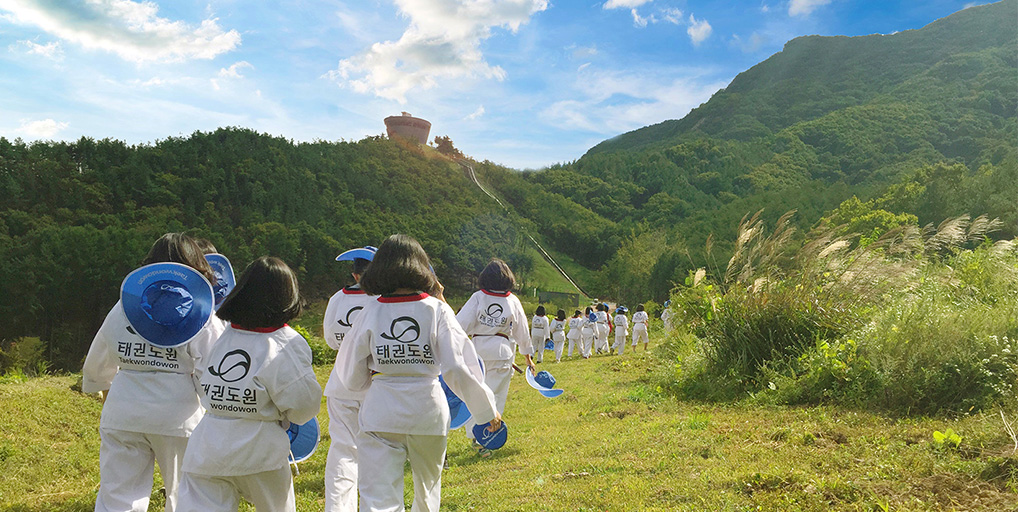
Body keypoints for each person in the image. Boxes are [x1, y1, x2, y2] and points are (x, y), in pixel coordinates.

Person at [336, 234, 501, 512]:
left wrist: (372, 379)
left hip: (381, 411)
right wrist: (486, 411)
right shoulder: (437, 310)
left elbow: (350, 375)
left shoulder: (371, 310)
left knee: (378, 498)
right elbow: (458, 367)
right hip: (428, 411)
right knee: (427, 493)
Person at [82, 233, 225, 512]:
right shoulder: (200, 312)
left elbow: (98, 360)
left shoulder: (125, 306)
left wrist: (110, 392)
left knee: (117, 497)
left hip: (122, 411)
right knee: (185, 494)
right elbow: (213, 368)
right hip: (178, 416)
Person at [177, 256, 321, 512]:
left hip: (208, 448)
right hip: (260, 453)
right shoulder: (285, 342)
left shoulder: (224, 335)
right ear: (288, 296)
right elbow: (304, 406)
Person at [455, 258, 536, 457]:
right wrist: (528, 357)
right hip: (502, 352)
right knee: (496, 396)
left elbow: (458, 325)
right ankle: (487, 439)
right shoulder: (512, 301)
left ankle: (476, 437)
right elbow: (522, 331)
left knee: (475, 393)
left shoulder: (477, 298)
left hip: (476, 352)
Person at [322, 246, 376, 512]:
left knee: (343, 451)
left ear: (355, 275)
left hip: (341, 381)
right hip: (374, 383)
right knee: (375, 452)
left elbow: (331, 340)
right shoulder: (381, 300)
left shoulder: (337, 299)